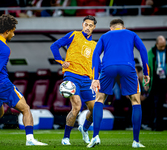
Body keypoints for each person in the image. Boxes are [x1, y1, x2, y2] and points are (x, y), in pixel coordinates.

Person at [0, 14, 47, 146]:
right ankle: (30, 140)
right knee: (26, 109)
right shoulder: (4, 48)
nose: (14, 34)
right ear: (7, 31)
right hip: (0, 85)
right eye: (13, 31)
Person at [88, 19, 150, 148]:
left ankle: (95, 137)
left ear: (111, 28)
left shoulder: (105, 36)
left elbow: (95, 54)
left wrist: (95, 77)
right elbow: (143, 50)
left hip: (108, 68)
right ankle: (136, 141)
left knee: (99, 99)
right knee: (136, 101)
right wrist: (146, 72)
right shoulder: (131, 34)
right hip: (127, 68)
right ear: (124, 27)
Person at [50, 15, 99, 145]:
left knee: (95, 110)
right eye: (86, 24)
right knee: (77, 106)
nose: (87, 27)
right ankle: (66, 138)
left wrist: (96, 79)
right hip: (72, 76)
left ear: (94, 27)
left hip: (87, 80)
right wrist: (61, 61)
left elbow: (96, 64)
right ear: (83, 24)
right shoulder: (74, 35)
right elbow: (54, 46)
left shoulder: (95, 45)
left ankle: (84, 128)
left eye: (90, 25)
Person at [147, 35, 167, 131]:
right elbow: (147, 68)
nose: (163, 48)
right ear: (156, 44)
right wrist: (146, 82)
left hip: (166, 78)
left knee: (162, 103)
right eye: (161, 47)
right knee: (156, 103)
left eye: (164, 46)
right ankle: (156, 125)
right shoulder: (151, 53)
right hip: (156, 80)